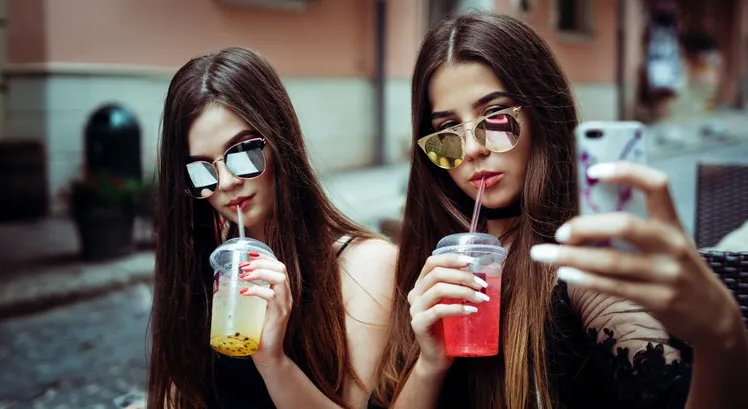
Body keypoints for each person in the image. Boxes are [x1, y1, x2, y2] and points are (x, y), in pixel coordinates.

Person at [372, 12, 748, 409]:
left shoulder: (583, 272)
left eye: (496, 118)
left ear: (541, 116)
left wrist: (722, 334)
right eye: (447, 131)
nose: (470, 150)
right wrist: (430, 366)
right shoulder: (430, 258)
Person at [148, 46, 396, 409]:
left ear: (280, 141)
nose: (227, 182)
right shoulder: (203, 269)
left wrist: (273, 362)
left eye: (243, 151)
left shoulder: (364, 266)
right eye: (202, 168)